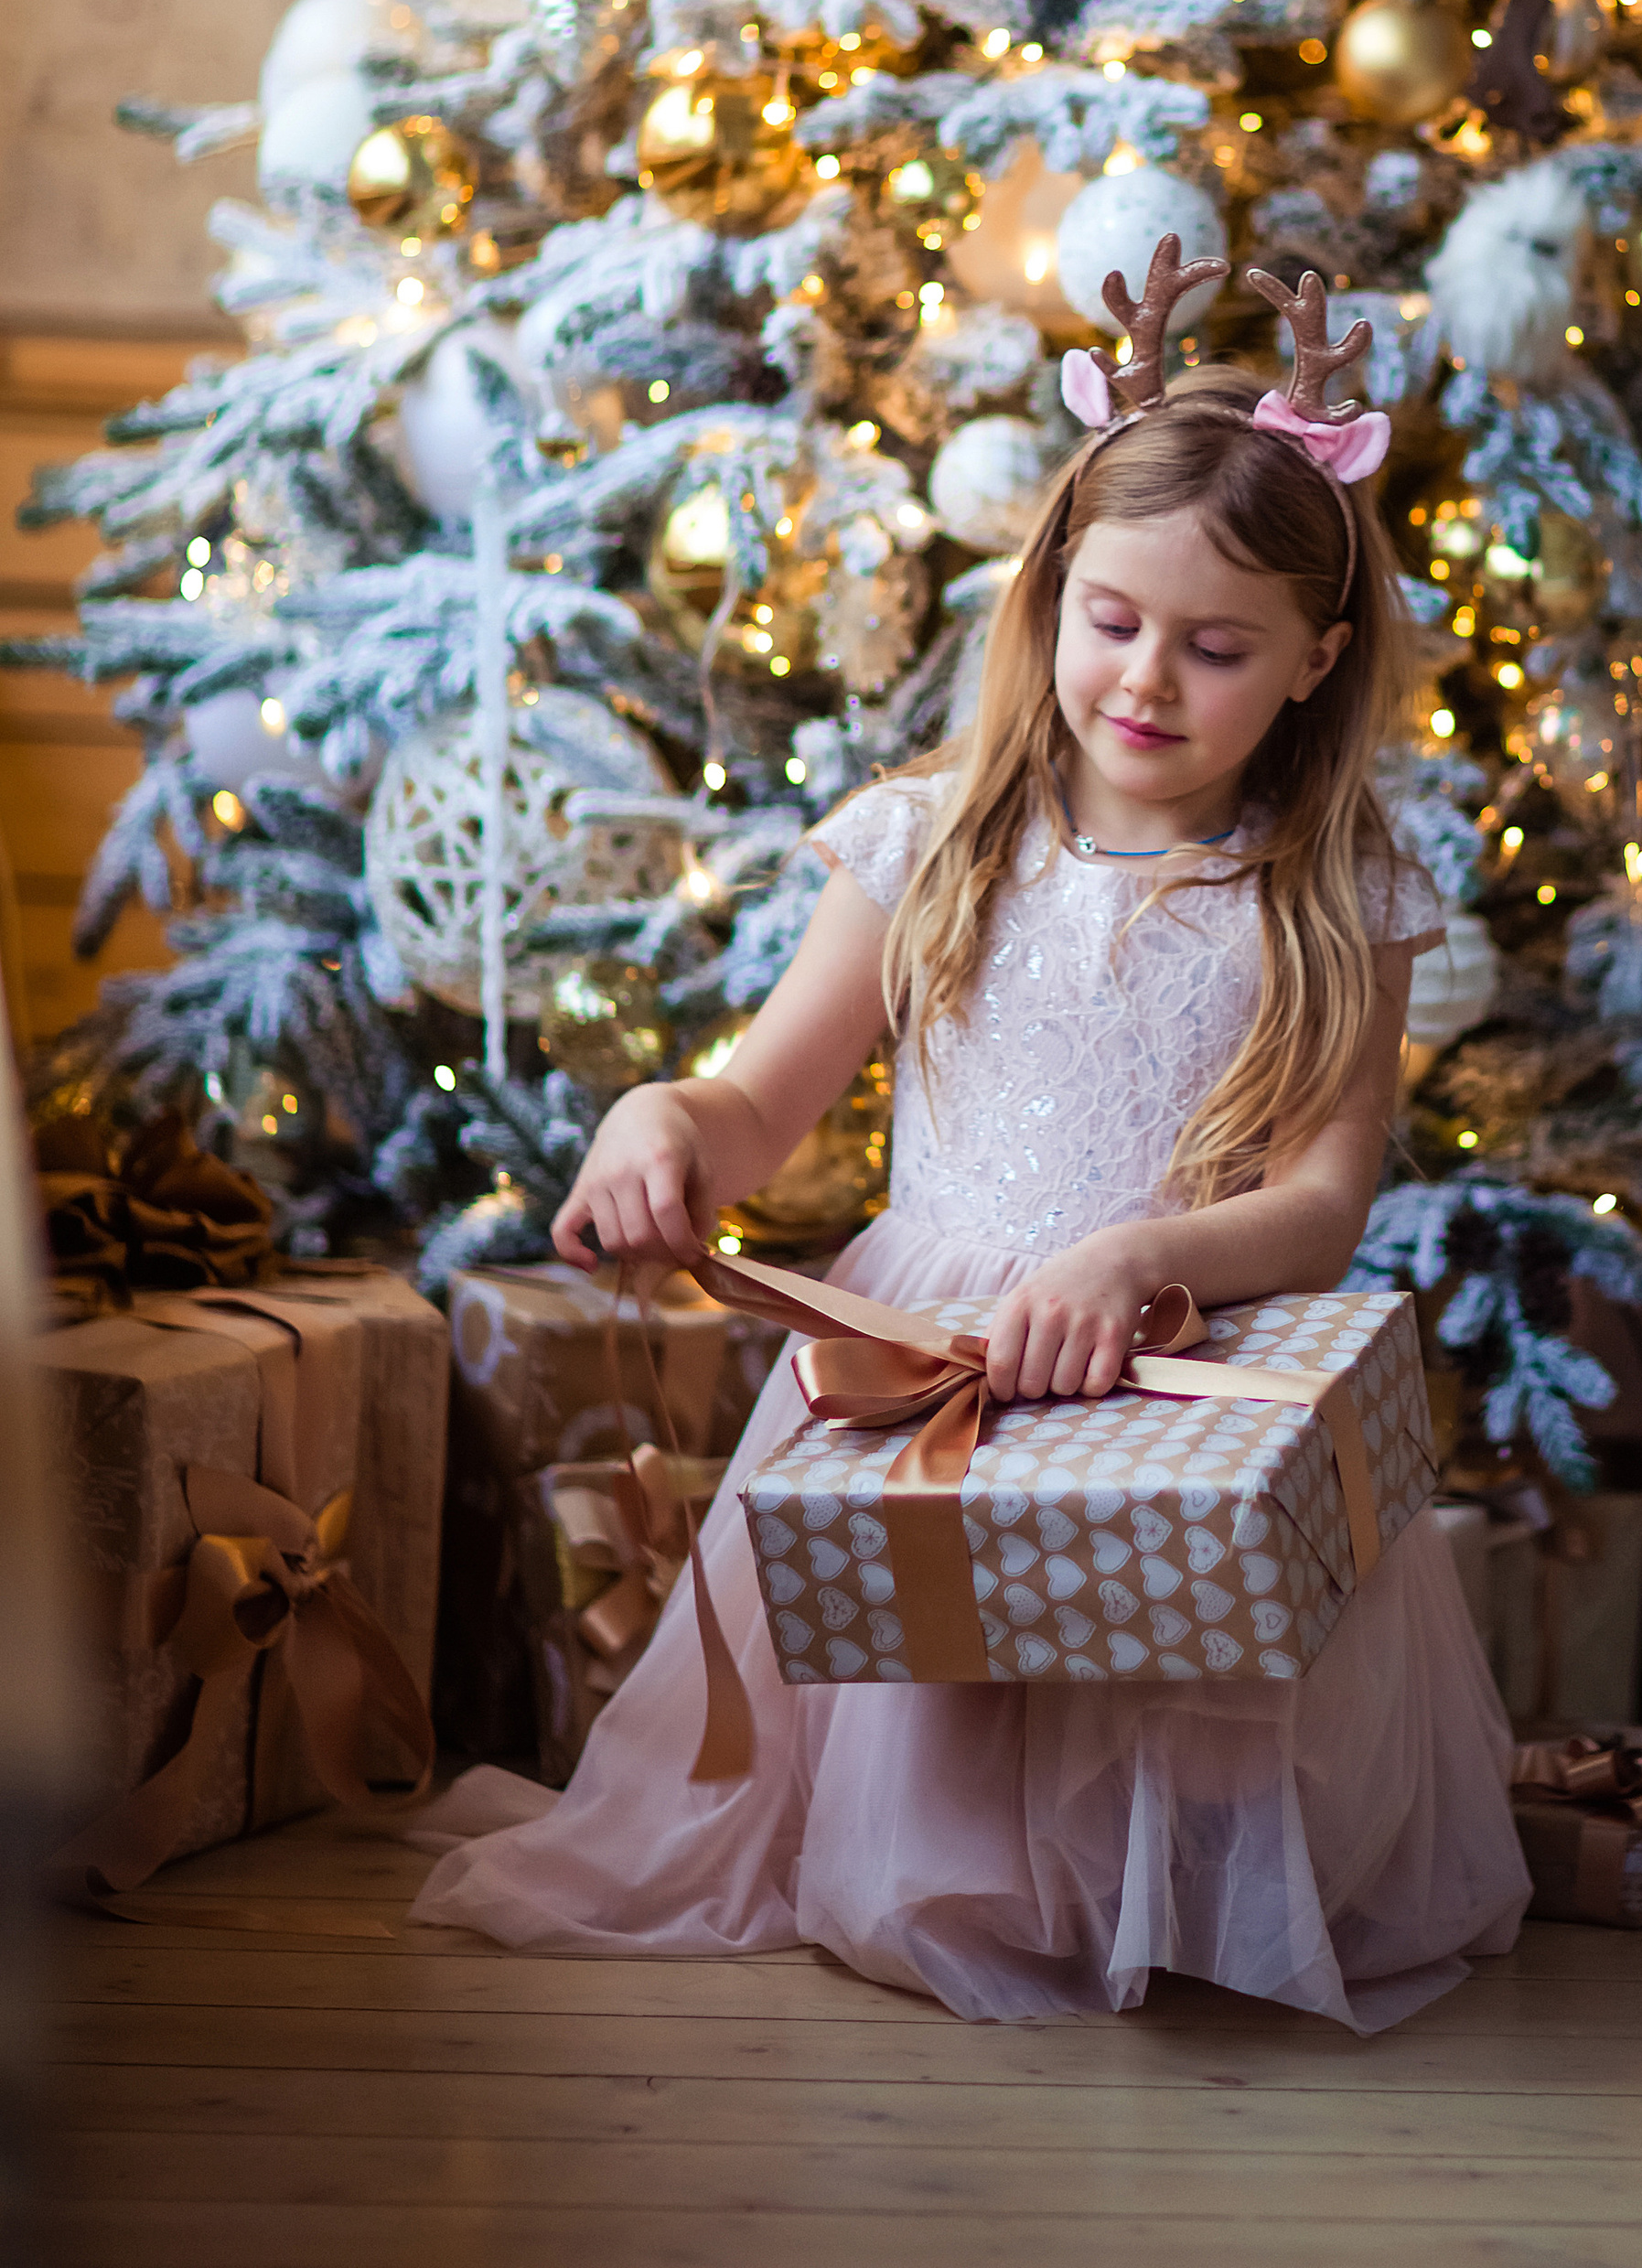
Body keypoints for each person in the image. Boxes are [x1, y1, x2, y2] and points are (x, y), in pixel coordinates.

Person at [411, 242, 1529, 2028]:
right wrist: (655, 1120)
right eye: (1111, 620)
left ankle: (1170, 1901)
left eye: (1217, 646)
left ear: (1314, 663)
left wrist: (1143, 1255)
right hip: (925, 1357)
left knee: (1162, 1673)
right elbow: (757, 1102)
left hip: (1173, 1364)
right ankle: (937, 1873)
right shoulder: (925, 843)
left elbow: (1323, 1199)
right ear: (1048, 595)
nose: (1147, 678)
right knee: (929, 1739)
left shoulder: (1335, 895)